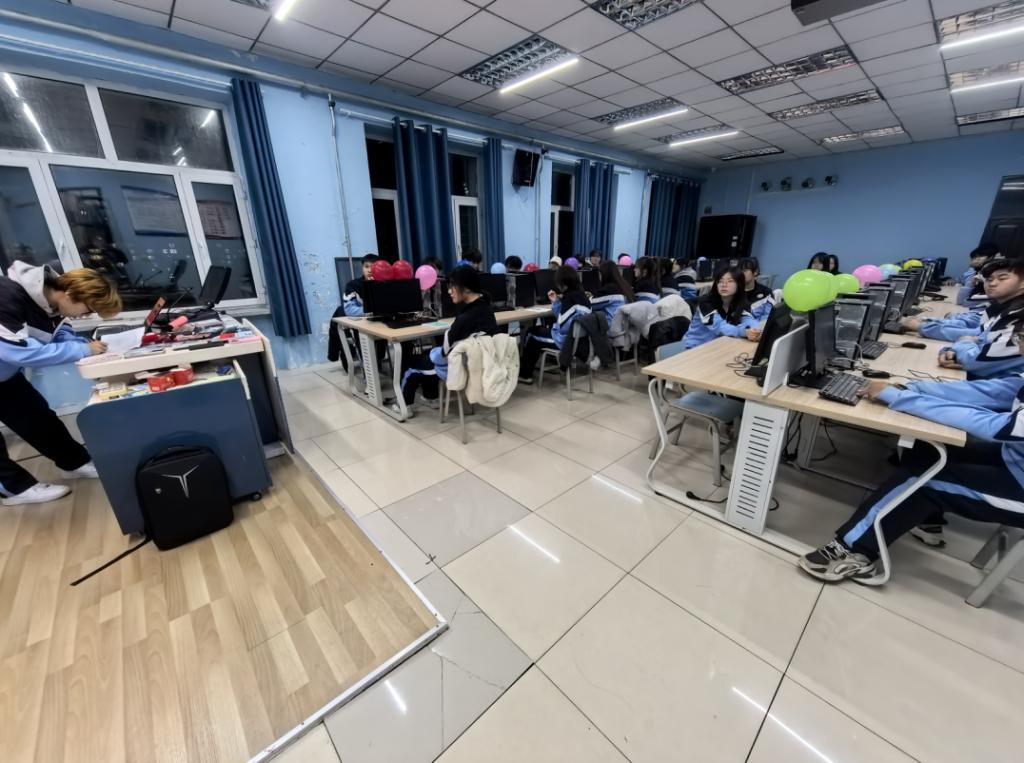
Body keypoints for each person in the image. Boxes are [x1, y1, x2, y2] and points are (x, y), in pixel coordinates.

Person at [798, 344, 1024, 582]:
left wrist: (900, 397)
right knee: (929, 450)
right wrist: (909, 388)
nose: (1018, 344)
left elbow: (995, 426)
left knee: (924, 481)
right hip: (1015, 458)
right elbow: (989, 392)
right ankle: (926, 519)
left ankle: (854, 551)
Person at [0, 263, 121, 506]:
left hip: (5, 376)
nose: (85, 316)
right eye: (88, 310)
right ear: (70, 294)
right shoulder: (6, 297)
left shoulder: (47, 299)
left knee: (38, 417)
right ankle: (13, 488)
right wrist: (83, 350)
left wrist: (83, 345)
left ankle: (74, 463)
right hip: (7, 365)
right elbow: (20, 353)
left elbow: (57, 332)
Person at [398, 265, 496, 415]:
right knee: (428, 356)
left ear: (466, 288)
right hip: (480, 365)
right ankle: (431, 397)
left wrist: (436, 350)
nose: (449, 291)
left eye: (452, 287)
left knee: (412, 364)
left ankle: (403, 406)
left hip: (458, 368)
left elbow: (444, 353)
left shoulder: (465, 318)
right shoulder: (487, 309)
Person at [935, 259, 1024, 379]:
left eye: (1002, 278)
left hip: (993, 384)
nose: (992, 284)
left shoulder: (1018, 317)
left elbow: (974, 359)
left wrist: (963, 342)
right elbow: (981, 339)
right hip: (985, 380)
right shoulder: (1007, 308)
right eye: (989, 279)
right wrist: (952, 350)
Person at [518, 265, 591, 384]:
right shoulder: (582, 296)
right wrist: (556, 301)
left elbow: (562, 326)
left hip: (566, 342)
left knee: (531, 333)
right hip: (579, 341)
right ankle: (531, 367)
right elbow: (565, 320)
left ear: (563, 283)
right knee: (538, 331)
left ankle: (525, 374)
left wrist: (557, 309)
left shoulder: (569, 298)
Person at [683, 266, 761, 349]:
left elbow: (748, 319)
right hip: (696, 347)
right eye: (720, 281)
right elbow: (719, 327)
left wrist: (755, 331)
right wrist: (744, 332)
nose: (724, 285)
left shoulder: (740, 302)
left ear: (739, 284)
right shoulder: (706, 303)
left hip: (719, 344)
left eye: (730, 281)